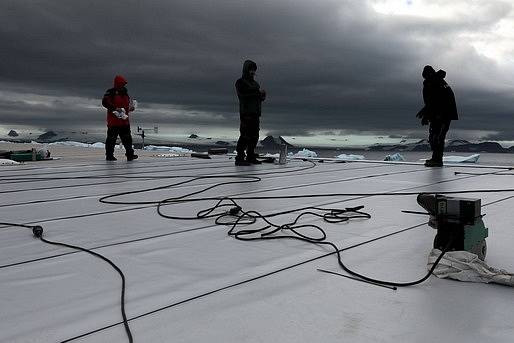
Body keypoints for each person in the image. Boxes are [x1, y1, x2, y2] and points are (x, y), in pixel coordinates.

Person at [417, 65, 458, 167]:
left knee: (436, 137)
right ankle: (436, 158)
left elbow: (434, 101)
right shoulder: (439, 81)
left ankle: (437, 160)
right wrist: (425, 112)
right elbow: (433, 101)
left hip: (441, 114)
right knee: (438, 136)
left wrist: (427, 116)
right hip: (445, 114)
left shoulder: (433, 83)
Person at [235, 60, 266, 166]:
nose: (253, 72)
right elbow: (243, 94)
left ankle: (250, 156)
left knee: (254, 136)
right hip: (246, 112)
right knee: (245, 135)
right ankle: (239, 157)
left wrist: (262, 96)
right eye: (251, 69)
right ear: (246, 70)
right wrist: (257, 92)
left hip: (255, 113)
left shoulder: (255, 84)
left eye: (254, 70)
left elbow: (258, 98)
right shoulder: (240, 82)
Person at [102, 75, 138, 161]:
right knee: (111, 139)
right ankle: (109, 155)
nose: (123, 85)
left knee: (127, 139)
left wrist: (130, 108)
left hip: (124, 121)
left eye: (123, 84)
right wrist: (115, 108)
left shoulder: (125, 94)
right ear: (117, 84)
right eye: (122, 84)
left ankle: (130, 155)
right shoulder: (111, 92)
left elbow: (126, 106)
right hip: (114, 121)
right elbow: (105, 102)